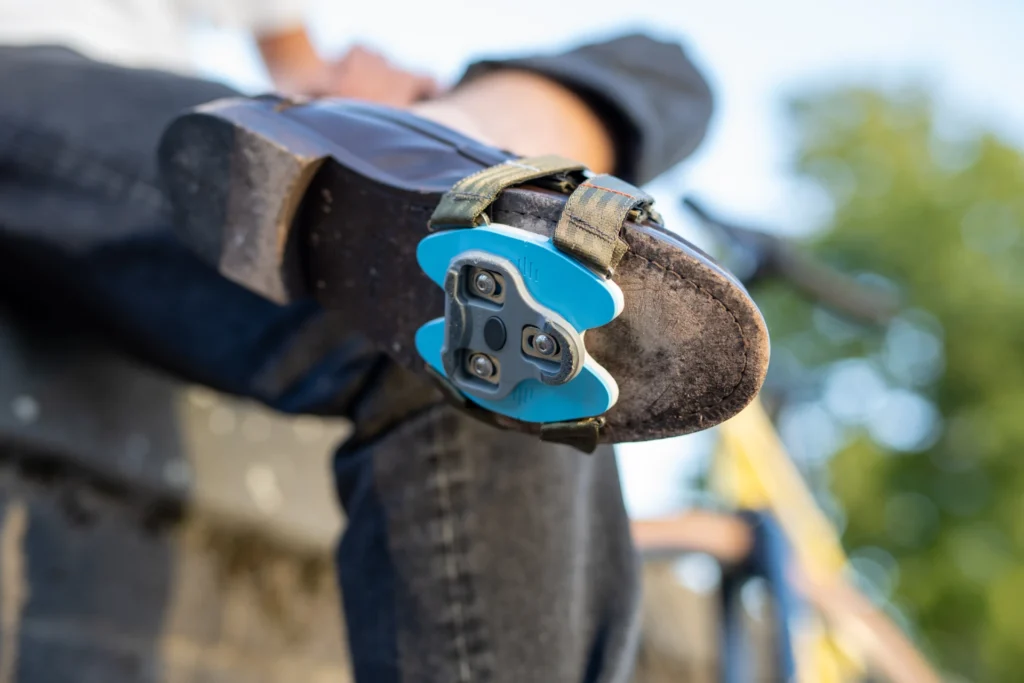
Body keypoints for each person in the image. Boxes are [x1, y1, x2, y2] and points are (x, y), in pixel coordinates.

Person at [0, 4, 769, 681]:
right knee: (464, 344)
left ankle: (457, 152)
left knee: (658, 74)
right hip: (34, 79)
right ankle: (456, 167)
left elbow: (295, 57)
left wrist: (365, 86)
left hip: (235, 134)